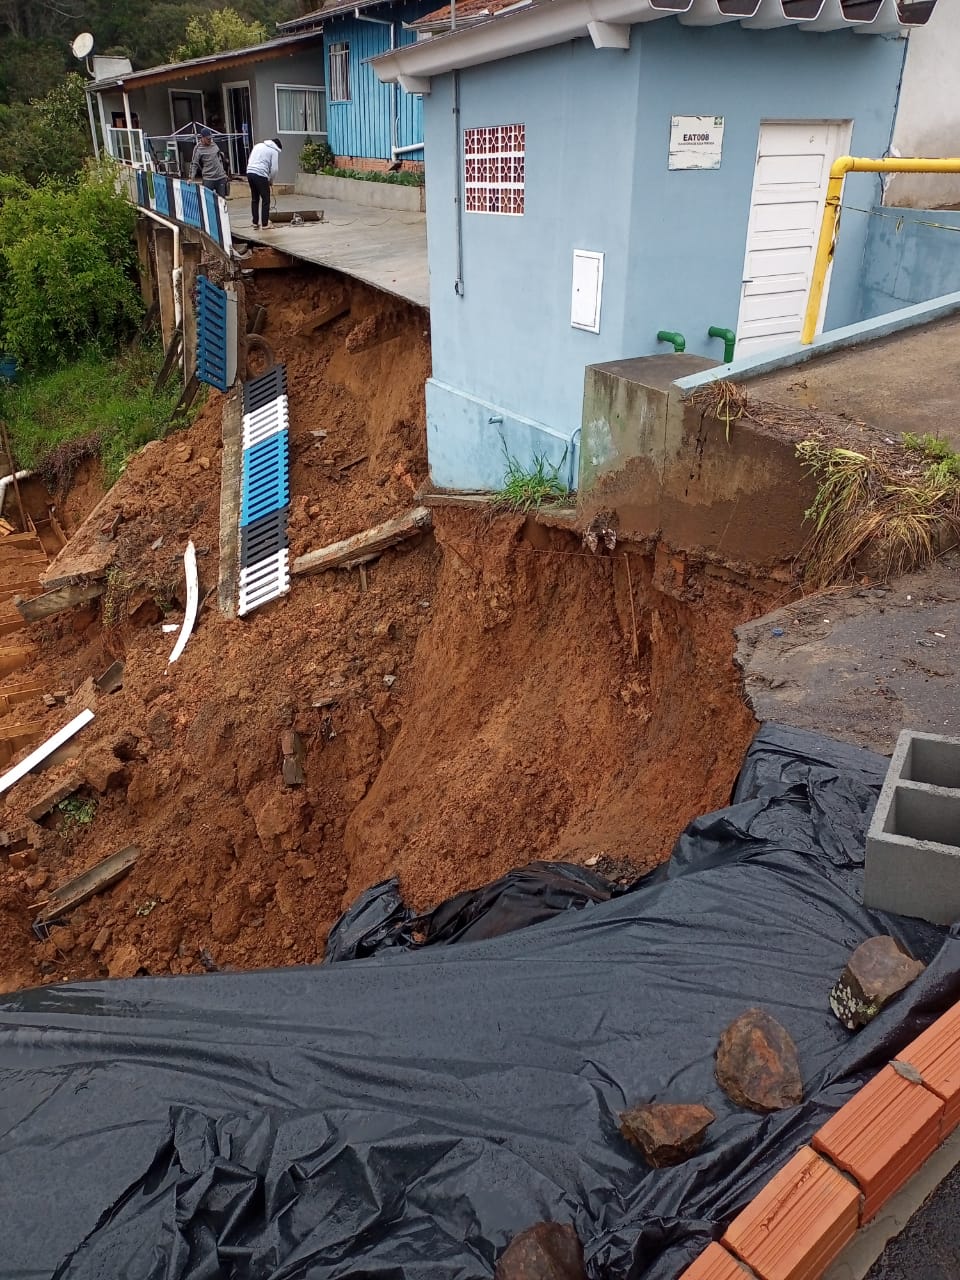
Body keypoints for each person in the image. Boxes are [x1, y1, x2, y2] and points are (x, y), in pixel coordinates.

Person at [246, 137, 282, 230]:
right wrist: (271, 180)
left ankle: (255, 222)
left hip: (250, 172)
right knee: (266, 199)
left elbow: (250, 159)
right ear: (277, 147)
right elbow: (274, 169)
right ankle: (265, 224)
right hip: (261, 174)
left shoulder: (258, 145)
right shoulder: (274, 151)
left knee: (255, 199)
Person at [189, 126, 229, 197]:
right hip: (208, 178)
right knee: (207, 199)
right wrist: (191, 178)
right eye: (208, 139)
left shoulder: (214, 145)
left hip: (220, 177)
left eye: (210, 138)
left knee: (222, 200)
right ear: (202, 138)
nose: (210, 140)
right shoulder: (198, 148)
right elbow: (194, 164)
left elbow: (219, 159)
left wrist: (224, 173)